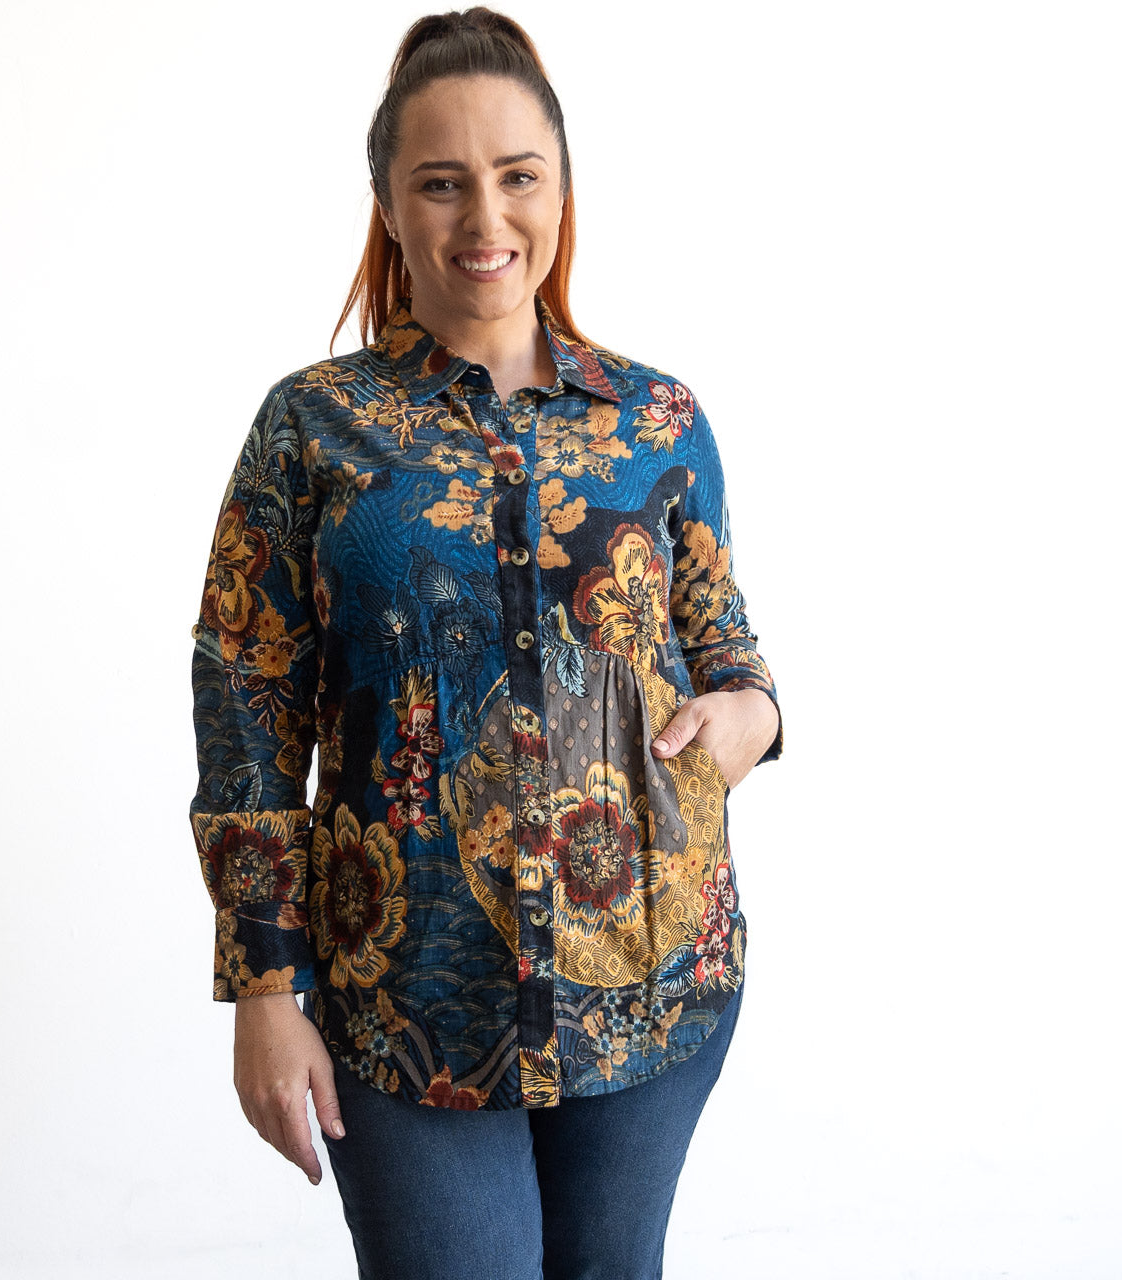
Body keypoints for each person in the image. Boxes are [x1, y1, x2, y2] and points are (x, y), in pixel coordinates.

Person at [188, 8, 782, 1277]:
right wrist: (261, 986)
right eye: (441, 183)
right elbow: (245, 705)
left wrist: (751, 715)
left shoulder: (659, 419)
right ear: (388, 203)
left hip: (652, 977)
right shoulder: (312, 429)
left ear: (562, 189)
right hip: (403, 999)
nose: (484, 220)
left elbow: (727, 648)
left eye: (517, 177)